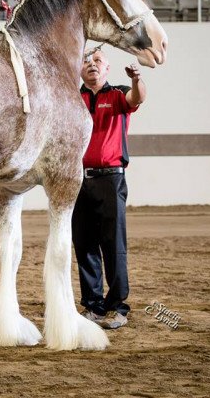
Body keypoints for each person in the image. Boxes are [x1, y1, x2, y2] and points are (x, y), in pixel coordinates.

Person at [72, 47, 146, 330]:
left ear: (107, 69)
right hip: (78, 180)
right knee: (84, 244)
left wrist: (138, 79)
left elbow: (137, 98)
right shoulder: (73, 98)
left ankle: (118, 306)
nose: (91, 64)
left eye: (97, 61)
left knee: (113, 244)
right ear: (79, 70)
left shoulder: (118, 94)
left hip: (110, 179)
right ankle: (92, 306)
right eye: (86, 61)